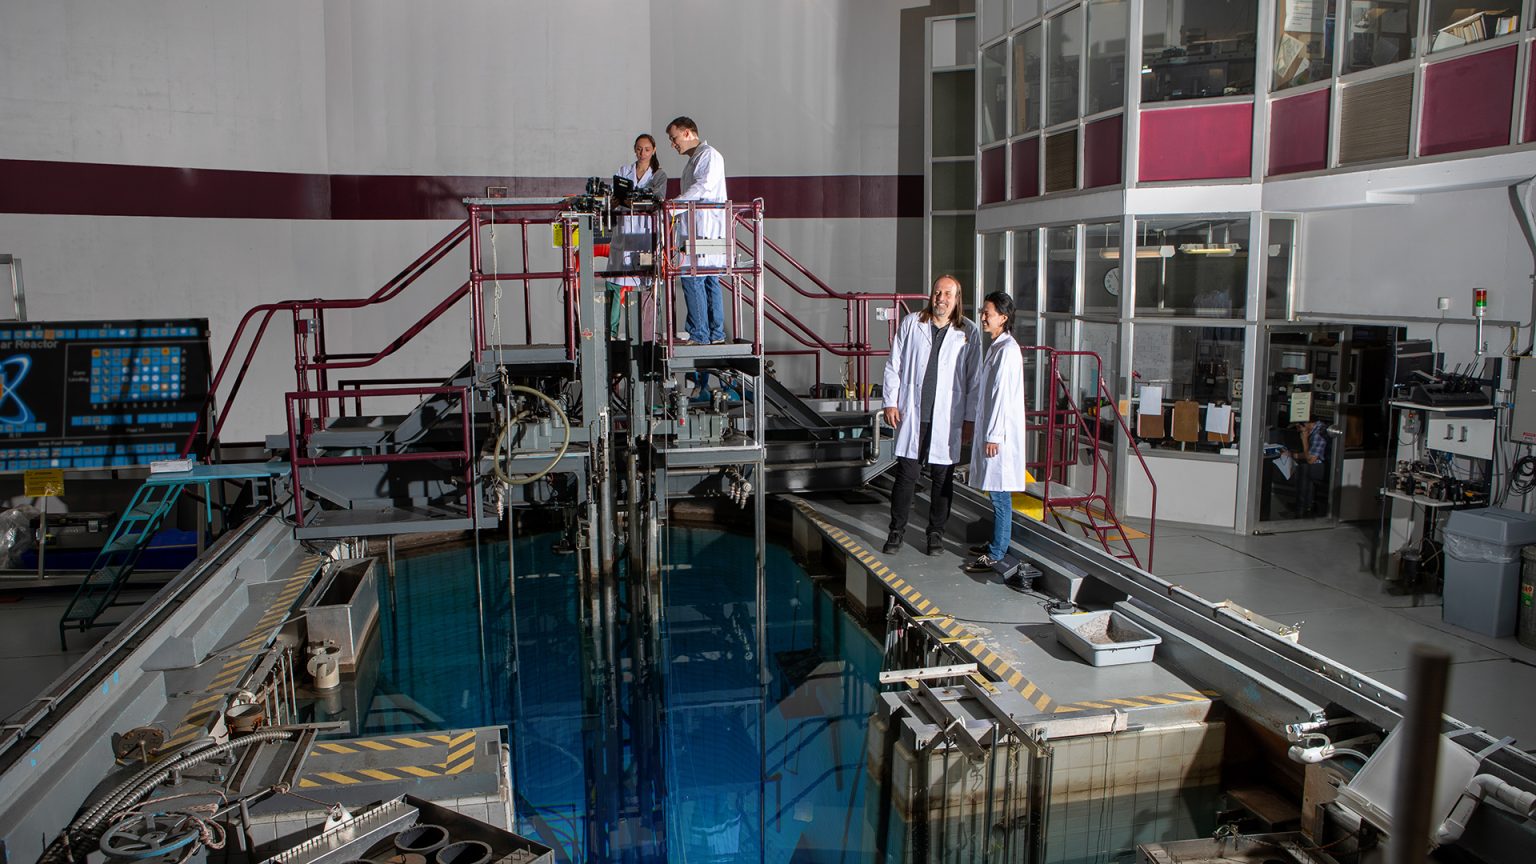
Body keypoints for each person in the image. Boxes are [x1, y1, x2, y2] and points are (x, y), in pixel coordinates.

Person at [881, 275, 980, 556]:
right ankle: (896, 532)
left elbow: (974, 380)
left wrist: (970, 419)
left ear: (957, 298)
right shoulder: (912, 323)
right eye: (937, 292)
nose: (941, 298)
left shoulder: (968, 331)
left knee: (942, 477)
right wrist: (890, 402)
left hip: (948, 417)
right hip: (914, 414)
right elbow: (894, 364)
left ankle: (935, 534)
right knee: (906, 475)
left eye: (947, 294)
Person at [965, 291, 1029, 577]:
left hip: (1000, 437)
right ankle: (994, 545)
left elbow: (1001, 396)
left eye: (987, 313)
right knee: (996, 494)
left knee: (1001, 497)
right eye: (983, 312)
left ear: (1003, 318)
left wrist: (993, 435)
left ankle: (996, 553)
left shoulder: (1007, 350)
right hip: (994, 432)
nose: (982, 317)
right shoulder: (997, 347)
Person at [666, 116, 727, 344]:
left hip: (704, 231)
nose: (673, 144)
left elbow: (702, 187)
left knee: (694, 279)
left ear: (688, 133)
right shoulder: (696, 159)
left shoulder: (708, 156)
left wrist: (673, 206)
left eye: (674, 138)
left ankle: (700, 334)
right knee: (709, 280)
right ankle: (715, 334)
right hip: (704, 231)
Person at [607, 133, 668, 339]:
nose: (643, 153)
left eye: (647, 149)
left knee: (647, 285)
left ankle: (648, 335)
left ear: (654, 150)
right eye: (639, 149)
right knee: (614, 282)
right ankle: (611, 333)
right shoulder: (624, 172)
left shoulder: (658, 175)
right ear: (634, 149)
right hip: (623, 234)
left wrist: (628, 201)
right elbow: (615, 198)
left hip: (645, 236)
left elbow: (656, 200)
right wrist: (625, 201)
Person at [1291, 418, 1328, 517]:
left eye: (1298, 427)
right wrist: (1293, 455)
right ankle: (1305, 505)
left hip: (1326, 467)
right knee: (1303, 467)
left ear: (1306, 424)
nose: (1297, 430)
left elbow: (1310, 459)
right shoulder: (1314, 431)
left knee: (1304, 469)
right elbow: (1310, 454)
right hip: (1318, 463)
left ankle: (1302, 508)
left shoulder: (1319, 433)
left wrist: (1304, 440)